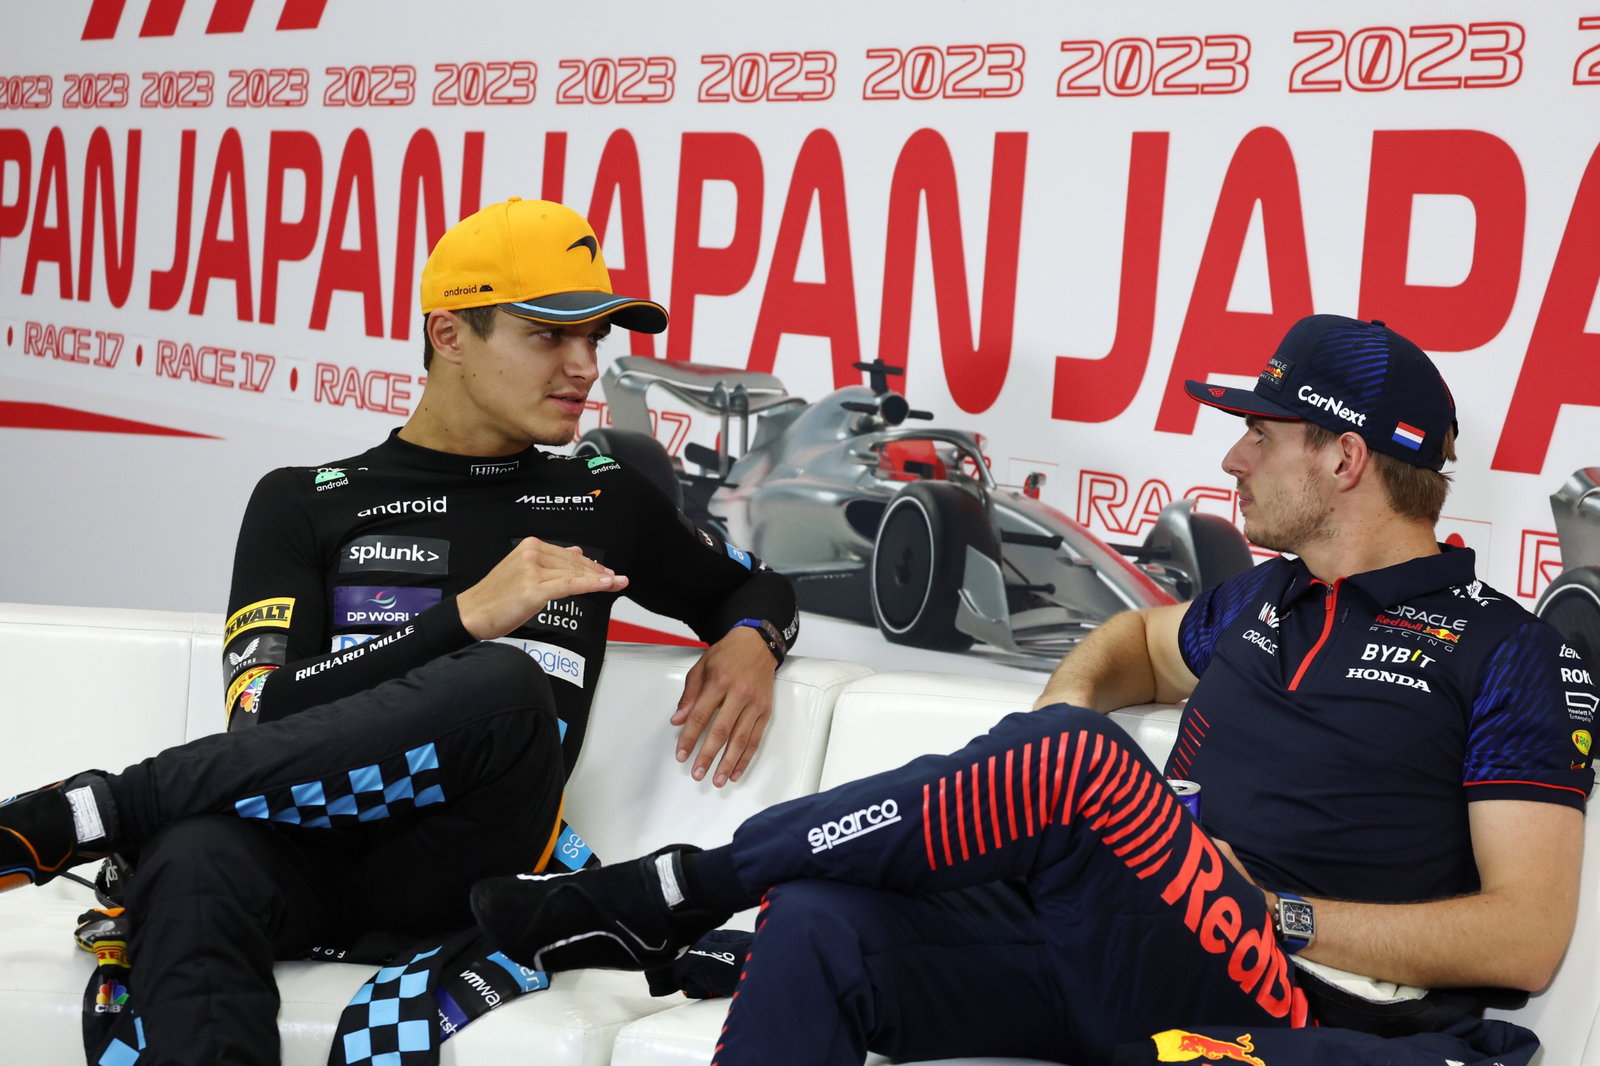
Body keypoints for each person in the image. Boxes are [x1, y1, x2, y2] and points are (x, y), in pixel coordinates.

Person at [468, 315, 1595, 1066]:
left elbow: (1524, 940)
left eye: (1258, 434)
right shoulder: (1260, 602)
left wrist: (1275, 911)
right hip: (1126, 944)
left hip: (1291, 988)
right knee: (819, 925)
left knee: (1081, 769)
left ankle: (676, 889)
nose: (1233, 462)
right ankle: (696, 896)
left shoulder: (1502, 652)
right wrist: (1058, 716)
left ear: (1344, 459)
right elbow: (1133, 645)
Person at [0, 198, 799, 1066]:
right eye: (548, 337)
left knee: (503, 684)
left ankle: (91, 810)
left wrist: (751, 635)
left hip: (474, 849)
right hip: (298, 846)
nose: (583, 368)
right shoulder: (303, 499)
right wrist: (459, 618)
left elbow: (752, 587)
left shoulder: (603, 495)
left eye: (595, 340)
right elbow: (263, 711)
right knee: (192, 858)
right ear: (450, 335)